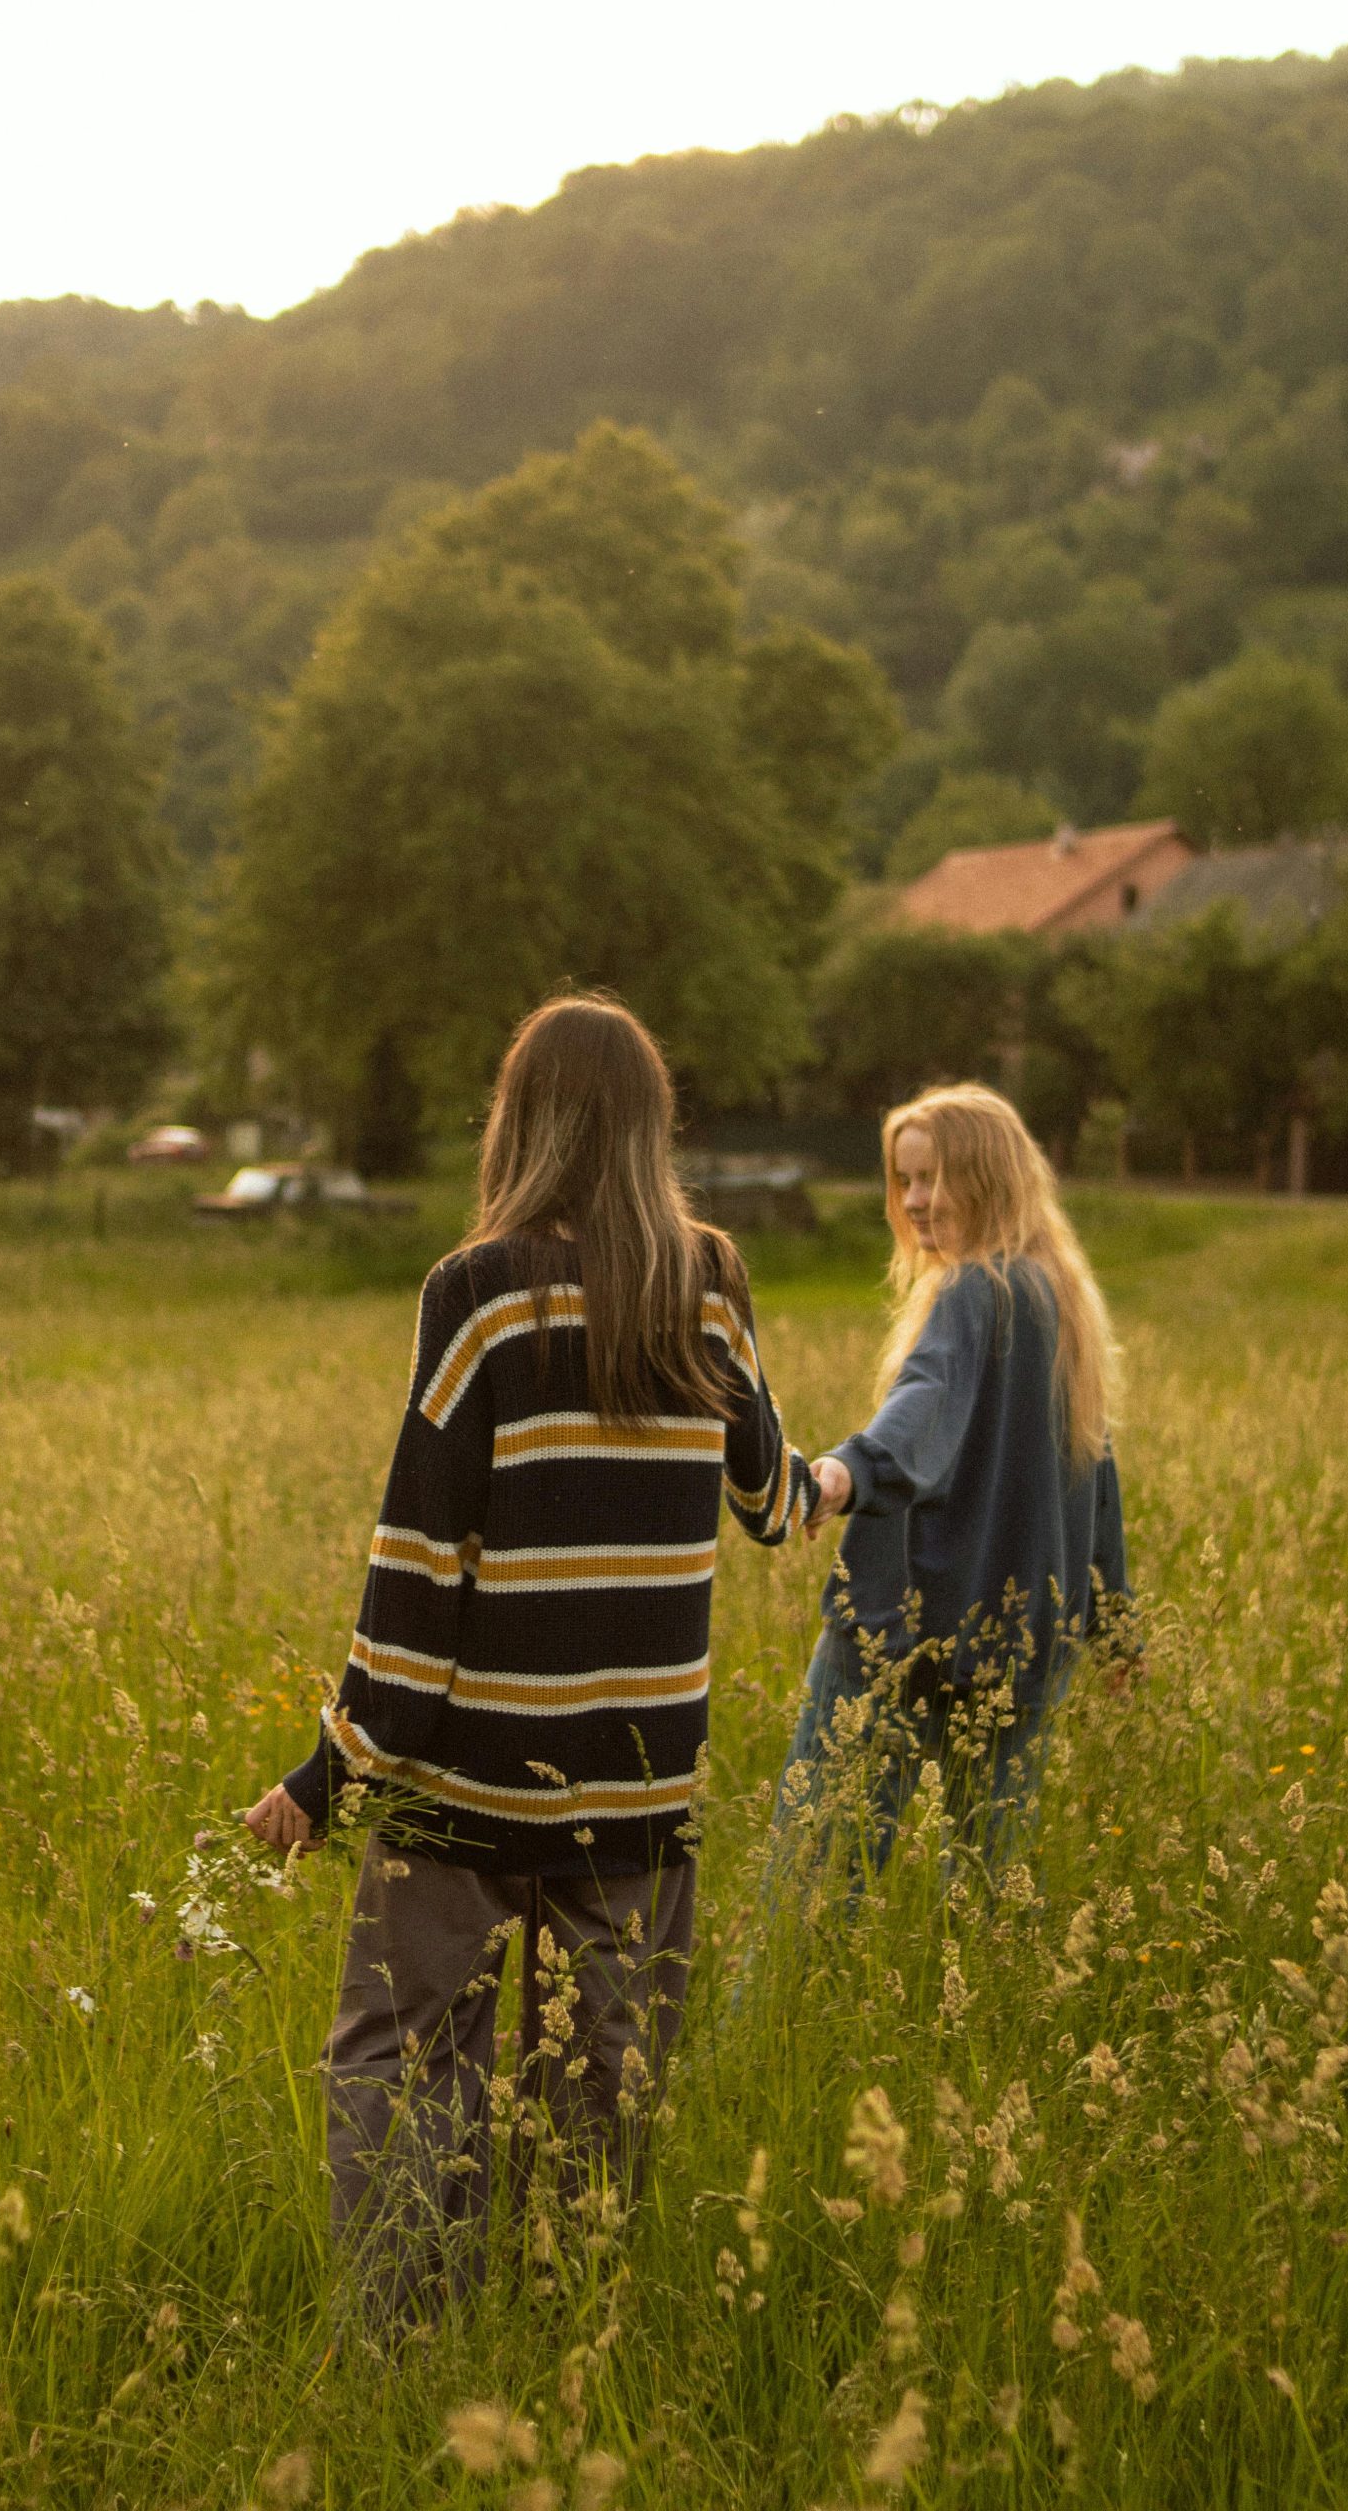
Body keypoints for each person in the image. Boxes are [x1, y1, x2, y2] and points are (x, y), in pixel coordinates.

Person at [245, 993, 817, 2326]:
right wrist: (867, 1476)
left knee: (408, 2061)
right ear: (647, 1129)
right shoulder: (711, 1289)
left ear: (521, 1123)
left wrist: (330, 1774)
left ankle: (406, 2349)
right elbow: (775, 1502)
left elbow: (419, 1569)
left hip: (468, 1783)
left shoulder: (479, 1294)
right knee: (599, 2085)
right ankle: (568, 2343)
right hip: (635, 1785)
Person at [772, 1081, 1131, 1888]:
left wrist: (840, 1475)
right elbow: (1096, 1479)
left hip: (902, 1633)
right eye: (903, 1181)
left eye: (933, 1178)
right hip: (1023, 1642)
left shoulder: (977, 1291)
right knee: (980, 1901)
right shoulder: (1062, 1296)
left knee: (815, 1889)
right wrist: (1113, 1622)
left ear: (992, 1179)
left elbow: (924, 1399)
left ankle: (781, 2012)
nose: (915, 1202)